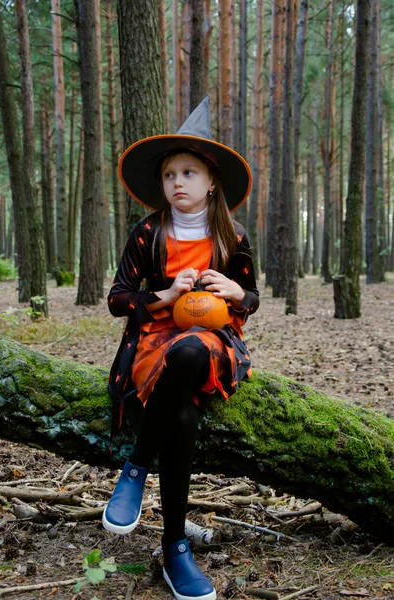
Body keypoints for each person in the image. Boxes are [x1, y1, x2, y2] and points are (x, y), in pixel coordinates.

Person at [102, 97, 260, 600]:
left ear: (211, 181)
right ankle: (175, 547)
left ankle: (136, 466)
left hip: (212, 342)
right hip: (154, 341)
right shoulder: (149, 232)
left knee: (192, 351)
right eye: (170, 174)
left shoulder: (231, 235)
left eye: (189, 172)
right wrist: (164, 296)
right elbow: (116, 299)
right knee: (184, 420)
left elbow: (250, 295)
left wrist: (238, 295)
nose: (177, 183)